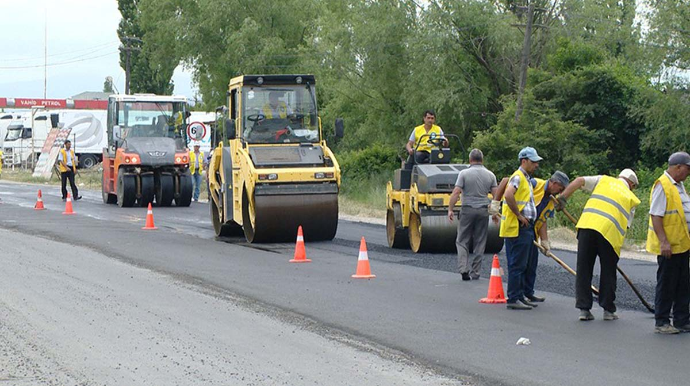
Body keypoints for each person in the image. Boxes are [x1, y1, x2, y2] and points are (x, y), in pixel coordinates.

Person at [557, 168, 641, 321]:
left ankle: (584, 310)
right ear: (632, 185)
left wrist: (563, 198)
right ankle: (608, 310)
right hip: (609, 234)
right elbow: (625, 227)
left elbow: (579, 181)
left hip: (587, 227)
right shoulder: (632, 198)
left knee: (584, 269)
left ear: (619, 177)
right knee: (608, 271)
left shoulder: (604, 180)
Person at [494, 170, 570, 303]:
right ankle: (516, 296)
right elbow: (506, 181)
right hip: (518, 227)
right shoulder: (535, 183)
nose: (560, 192)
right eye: (561, 188)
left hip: (531, 232)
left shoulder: (551, 200)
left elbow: (543, 221)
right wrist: (495, 203)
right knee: (518, 264)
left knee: (531, 264)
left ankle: (528, 293)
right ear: (555, 183)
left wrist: (545, 241)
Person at [646, 152, 690, 334]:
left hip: (682, 244)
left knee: (683, 284)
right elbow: (656, 215)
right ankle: (662, 322)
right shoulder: (662, 185)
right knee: (667, 283)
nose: (688, 173)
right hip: (669, 246)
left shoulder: (679, 186)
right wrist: (664, 242)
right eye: (688, 169)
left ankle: (681, 320)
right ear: (678, 167)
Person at [500, 147, 542, 310]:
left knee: (523, 263)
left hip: (525, 226)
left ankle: (520, 295)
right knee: (517, 263)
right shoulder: (518, 177)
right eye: (533, 162)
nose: (536, 165)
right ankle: (514, 298)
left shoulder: (525, 178)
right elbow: (508, 194)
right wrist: (518, 215)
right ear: (524, 161)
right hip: (518, 227)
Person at [447, 149, 498, 281]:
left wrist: (450, 209)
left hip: (467, 209)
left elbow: (456, 192)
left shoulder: (464, 173)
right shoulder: (490, 175)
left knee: (462, 240)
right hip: (483, 211)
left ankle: (464, 269)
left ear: (470, 160)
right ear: (482, 160)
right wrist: (494, 213)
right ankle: (476, 272)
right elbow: (496, 195)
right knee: (480, 241)